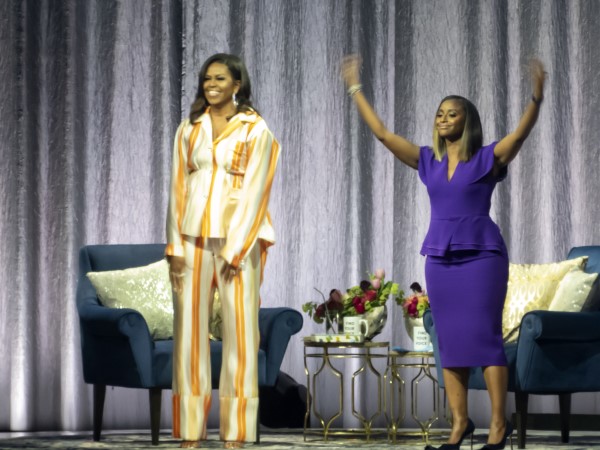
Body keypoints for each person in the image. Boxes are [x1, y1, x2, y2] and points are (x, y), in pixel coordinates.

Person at [342, 55, 545, 450]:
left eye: (452, 114)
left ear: (466, 121)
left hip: (482, 258)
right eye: (439, 113)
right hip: (440, 259)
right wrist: (355, 89)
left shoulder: (487, 157)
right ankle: (460, 424)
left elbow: (519, 137)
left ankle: (500, 427)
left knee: (486, 339)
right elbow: (383, 134)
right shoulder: (427, 161)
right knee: (449, 340)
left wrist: (536, 97)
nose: (443, 118)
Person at [166, 53, 280, 449]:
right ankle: (191, 431)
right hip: (192, 239)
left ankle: (236, 433)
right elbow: (178, 189)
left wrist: (236, 250)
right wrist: (175, 245)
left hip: (238, 244)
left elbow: (256, 192)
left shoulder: (256, 129)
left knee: (240, 337)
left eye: (219, 78)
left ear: (237, 84)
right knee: (189, 336)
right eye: (206, 78)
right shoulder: (188, 128)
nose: (210, 84)